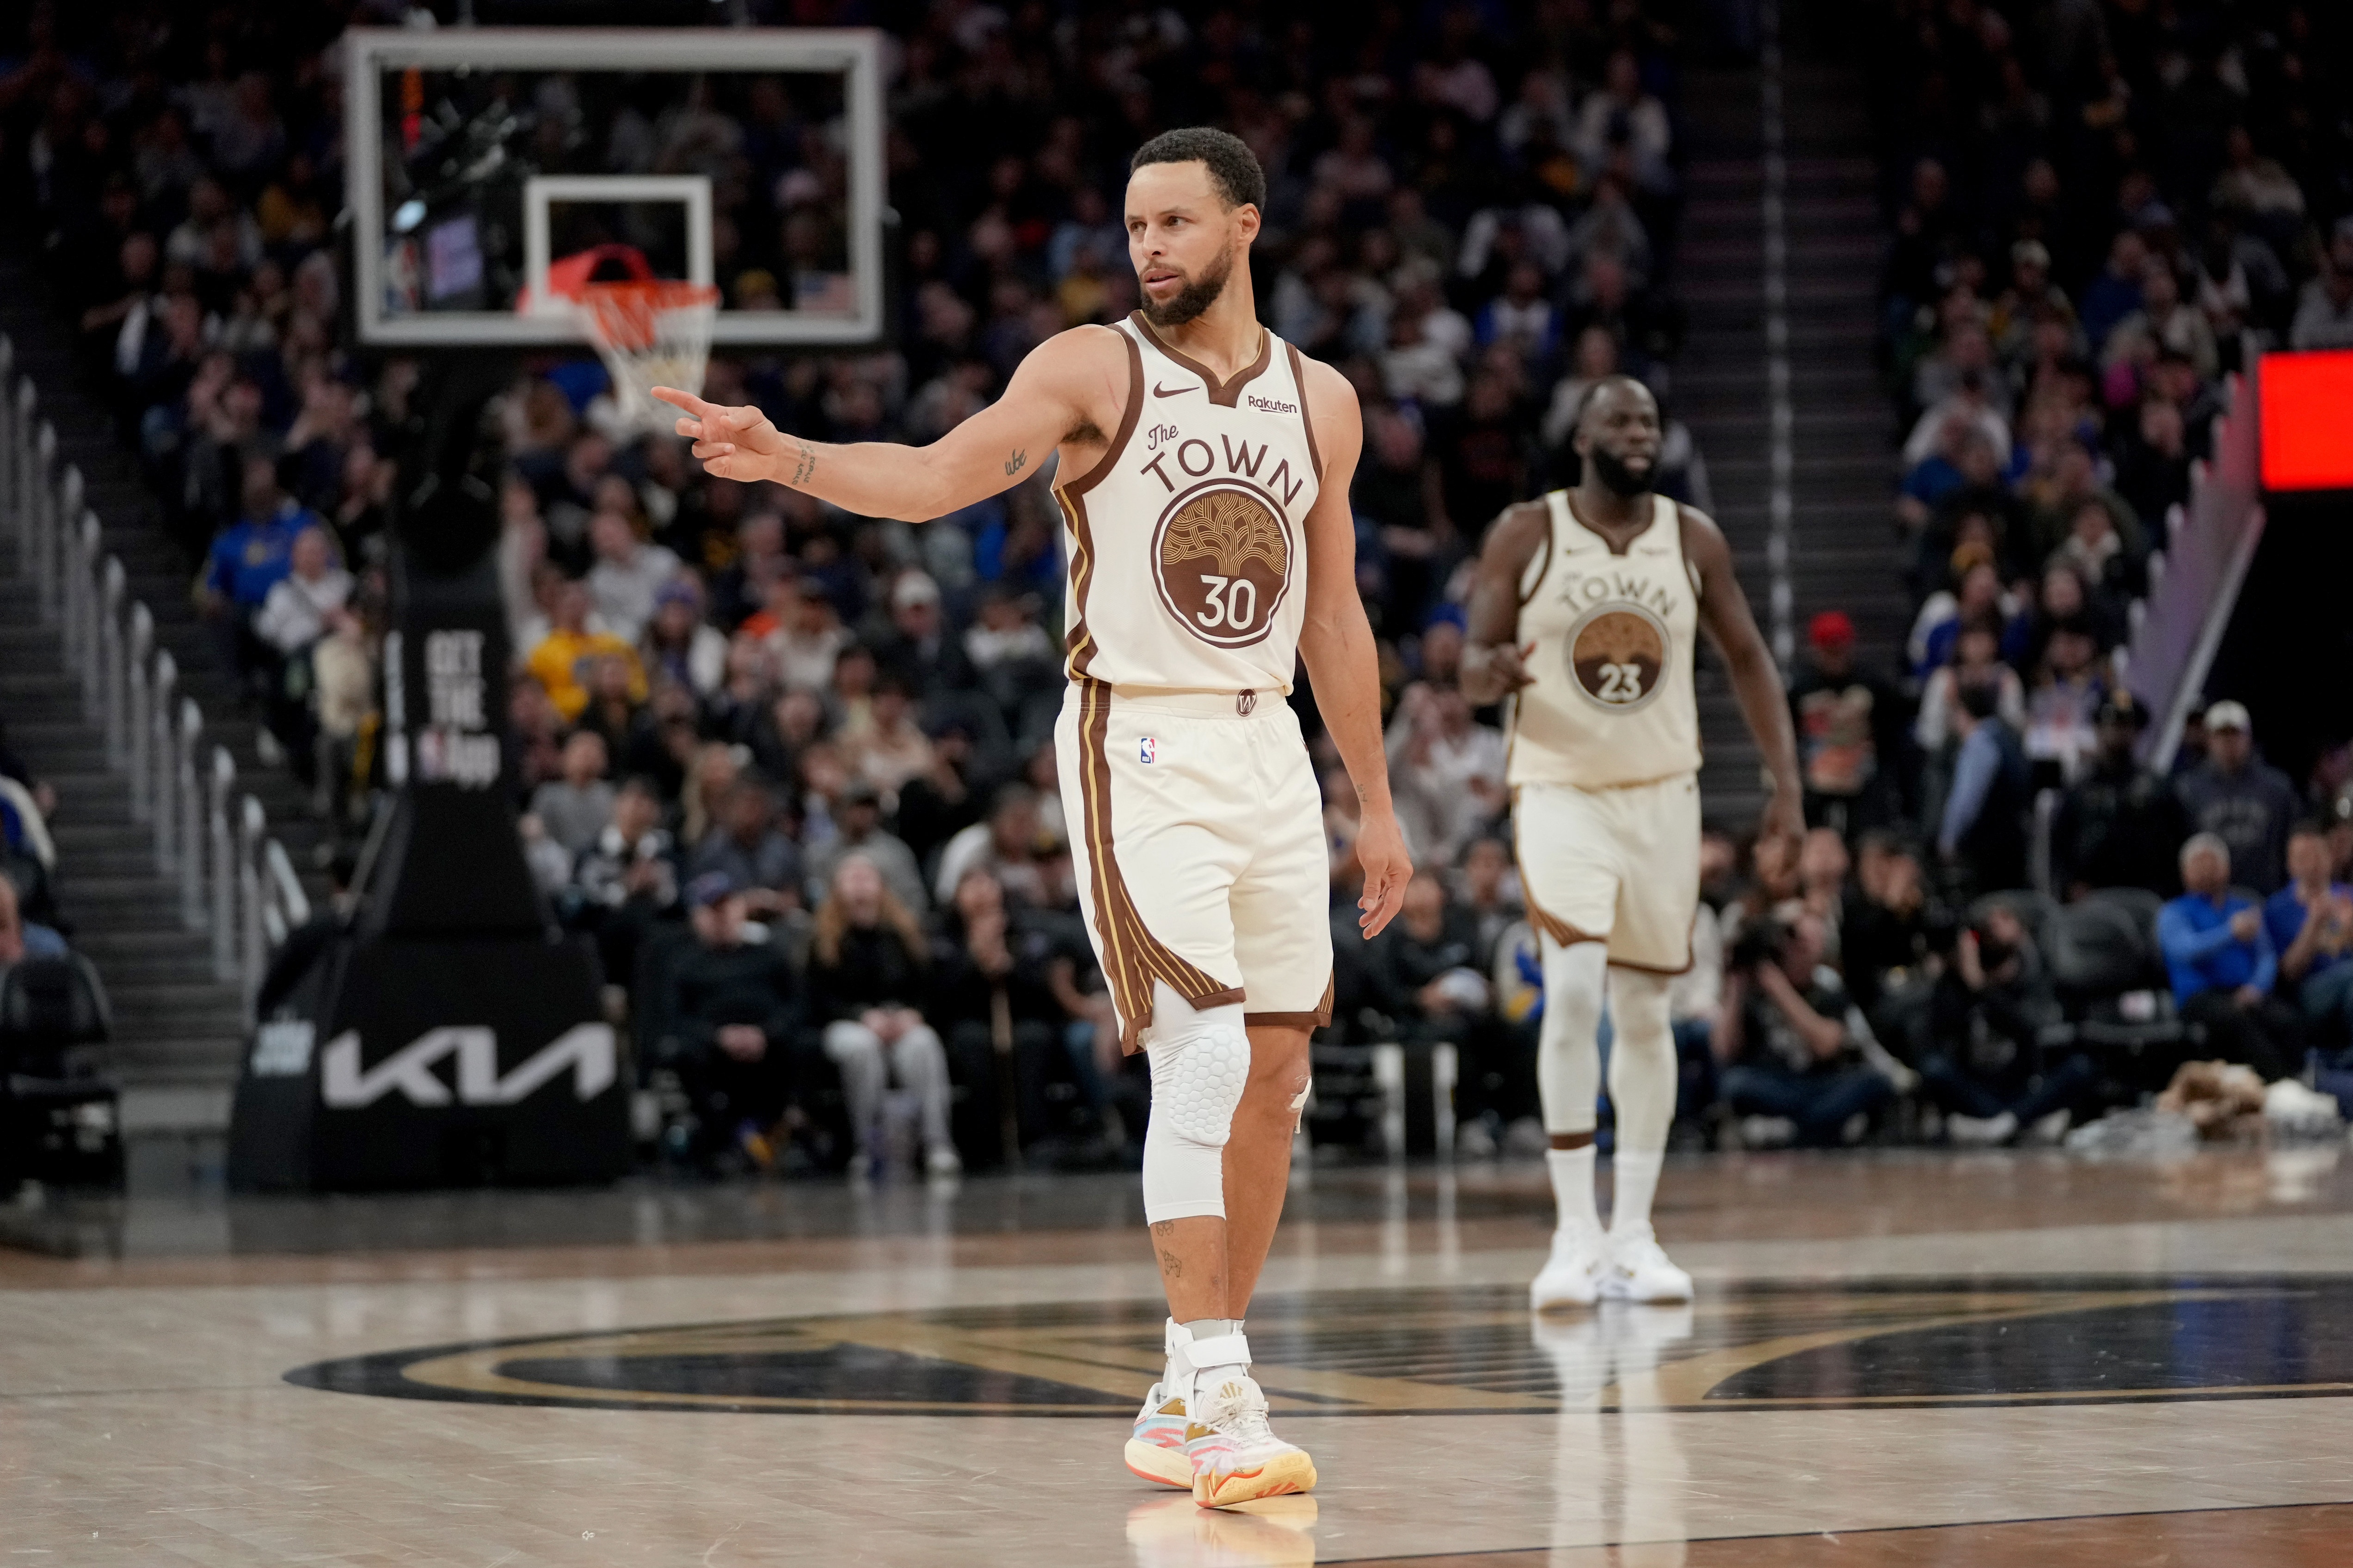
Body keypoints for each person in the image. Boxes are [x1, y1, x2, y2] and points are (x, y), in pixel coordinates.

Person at [656, 126, 1408, 1508]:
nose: (1150, 248)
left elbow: (1334, 613)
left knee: (1276, 1073)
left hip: (1269, 748)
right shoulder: (1091, 369)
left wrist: (1376, 797)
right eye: (1136, 227)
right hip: (1140, 736)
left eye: (1176, 222)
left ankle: (1182, 1382)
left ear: (1245, 225)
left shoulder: (1324, 401)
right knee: (1197, 1050)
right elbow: (939, 474)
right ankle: (1221, 1385)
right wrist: (789, 459)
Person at [1458, 374, 1806, 1310]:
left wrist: (1786, 790)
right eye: (1618, 418)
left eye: (1649, 419)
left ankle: (1635, 1233)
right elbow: (1469, 667)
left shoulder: (1692, 539)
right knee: (1574, 991)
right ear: (1580, 436)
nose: (1638, 431)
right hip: (1560, 790)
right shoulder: (1527, 532)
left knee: (1647, 1013)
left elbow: (1748, 658)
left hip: (1662, 796)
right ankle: (1574, 1232)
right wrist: (1490, 670)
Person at [805, 855, 958, 1177]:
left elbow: (928, 989)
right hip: (846, 1024)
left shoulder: (905, 934)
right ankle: (867, 1147)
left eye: (867, 877)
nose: (860, 885)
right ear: (836, 890)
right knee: (861, 1048)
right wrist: (861, 1016)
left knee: (923, 1044)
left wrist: (914, 1015)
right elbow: (817, 1000)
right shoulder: (822, 939)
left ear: (882, 887)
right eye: (851, 878)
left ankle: (937, 1143)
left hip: (899, 1021)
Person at [666, 872, 801, 1171]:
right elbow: (676, 1020)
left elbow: (796, 1006)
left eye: (727, 906)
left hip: (768, 1046)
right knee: (685, 1054)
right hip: (712, 1050)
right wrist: (718, 1038)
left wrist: (766, 1034)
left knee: (806, 1045)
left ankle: (783, 1134)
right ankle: (723, 1143)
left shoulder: (770, 956)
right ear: (697, 918)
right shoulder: (685, 966)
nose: (722, 916)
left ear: (742, 909)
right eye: (712, 910)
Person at [2157, 833, 2298, 1081]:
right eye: (2198, 865)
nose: (2206, 872)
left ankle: (2303, 1078)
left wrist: (2256, 987)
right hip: (2201, 997)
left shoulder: (2244, 908)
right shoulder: (2174, 913)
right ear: (2185, 872)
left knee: (2286, 1019)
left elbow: (2266, 956)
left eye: (2212, 864)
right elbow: (2186, 950)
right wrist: (2230, 933)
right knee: (2236, 1021)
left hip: (2244, 991)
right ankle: (2280, 1085)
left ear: (2227, 868)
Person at [2049, 690, 2189, 898]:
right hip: (2092, 897)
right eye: (2112, 725)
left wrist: (2170, 891)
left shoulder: (2159, 788)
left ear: (2137, 732)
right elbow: (2059, 847)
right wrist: (2069, 885)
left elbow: (2182, 842)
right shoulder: (2078, 791)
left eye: (2125, 726)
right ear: (2098, 729)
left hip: (2149, 895)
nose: (2118, 733)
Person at [1785, 610, 1910, 836]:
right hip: (1816, 779)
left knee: (1871, 836)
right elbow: (1788, 731)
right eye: (1828, 649)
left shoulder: (1872, 682)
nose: (1835, 656)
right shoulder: (1801, 686)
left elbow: (1891, 729)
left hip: (1862, 777)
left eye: (1839, 648)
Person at [2174, 701, 2298, 895]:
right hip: (2209, 898)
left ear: (2249, 737)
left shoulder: (2277, 788)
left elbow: (2290, 843)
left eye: (2236, 734)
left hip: (2265, 894)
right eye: (2222, 735)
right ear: (2209, 739)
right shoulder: (2188, 789)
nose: (2229, 742)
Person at [1937, 680, 2032, 900]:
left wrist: (1949, 839)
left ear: (1964, 712)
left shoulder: (1980, 743)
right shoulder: (2008, 737)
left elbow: (1966, 801)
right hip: (2013, 842)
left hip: (1987, 850)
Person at [2266, 822, 2353, 1045]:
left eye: (2318, 854)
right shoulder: (2277, 908)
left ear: (2330, 857)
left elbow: (2340, 945)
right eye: (2304, 857)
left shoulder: (2348, 896)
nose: (2313, 864)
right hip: (2306, 994)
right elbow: (2289, 973)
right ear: (2290, 864)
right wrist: (2314, 924)